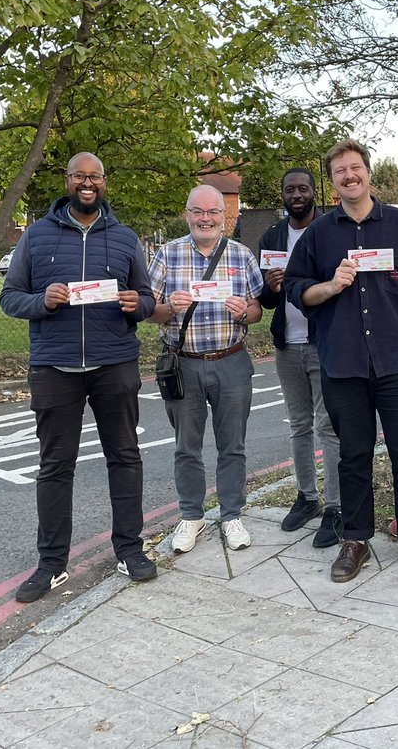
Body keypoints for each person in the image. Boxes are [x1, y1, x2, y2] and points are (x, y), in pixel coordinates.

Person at [284, 139, 398, 583]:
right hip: (343, 362)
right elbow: (296, 290)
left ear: (368, 173)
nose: (349, 175)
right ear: (332, 181)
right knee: (353, 455)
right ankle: (356, 540)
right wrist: (331, 285)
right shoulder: (319, 234)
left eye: (355, 167)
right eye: (339, 171)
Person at [0, 152, 157, 602]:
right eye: (79, 177)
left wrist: (138, 305)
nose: (87, 184)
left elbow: (147, 298)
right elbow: (10, 297)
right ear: (67, 181)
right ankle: (51, 564)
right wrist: (42, 301)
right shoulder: (36, 235)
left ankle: (129, 549)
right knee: (55, 466)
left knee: (124, 458)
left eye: (95, 177)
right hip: (55, 367)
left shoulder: (125, 238)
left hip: (114, 364)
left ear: (104, 182)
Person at [148, 185, 264, 554]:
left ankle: (231, 515)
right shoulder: (168, 254)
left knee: (233, 445)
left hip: (231, 360)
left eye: (213, 212)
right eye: (198, 211)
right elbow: (150, 311)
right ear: (187, 214)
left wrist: (244, 312)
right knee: (186, 447)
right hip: (183, 363)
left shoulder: (241, 255)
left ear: (223, 217)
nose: (205, 218)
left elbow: (257, 309)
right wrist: (169, 307)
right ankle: (191, 515)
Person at [257, 167, 343, 548]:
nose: (296, 194)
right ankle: (307, 497)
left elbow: (339, 286)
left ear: (314, 193)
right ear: (283, 194)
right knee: (299, 425)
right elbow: (265, 300)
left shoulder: (329, 231)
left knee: (329, 427)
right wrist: (271, 288)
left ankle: (335, 507)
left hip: (324, 342)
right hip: (287, 344)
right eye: (290, 189)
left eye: (303, 188)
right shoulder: (272, 236)